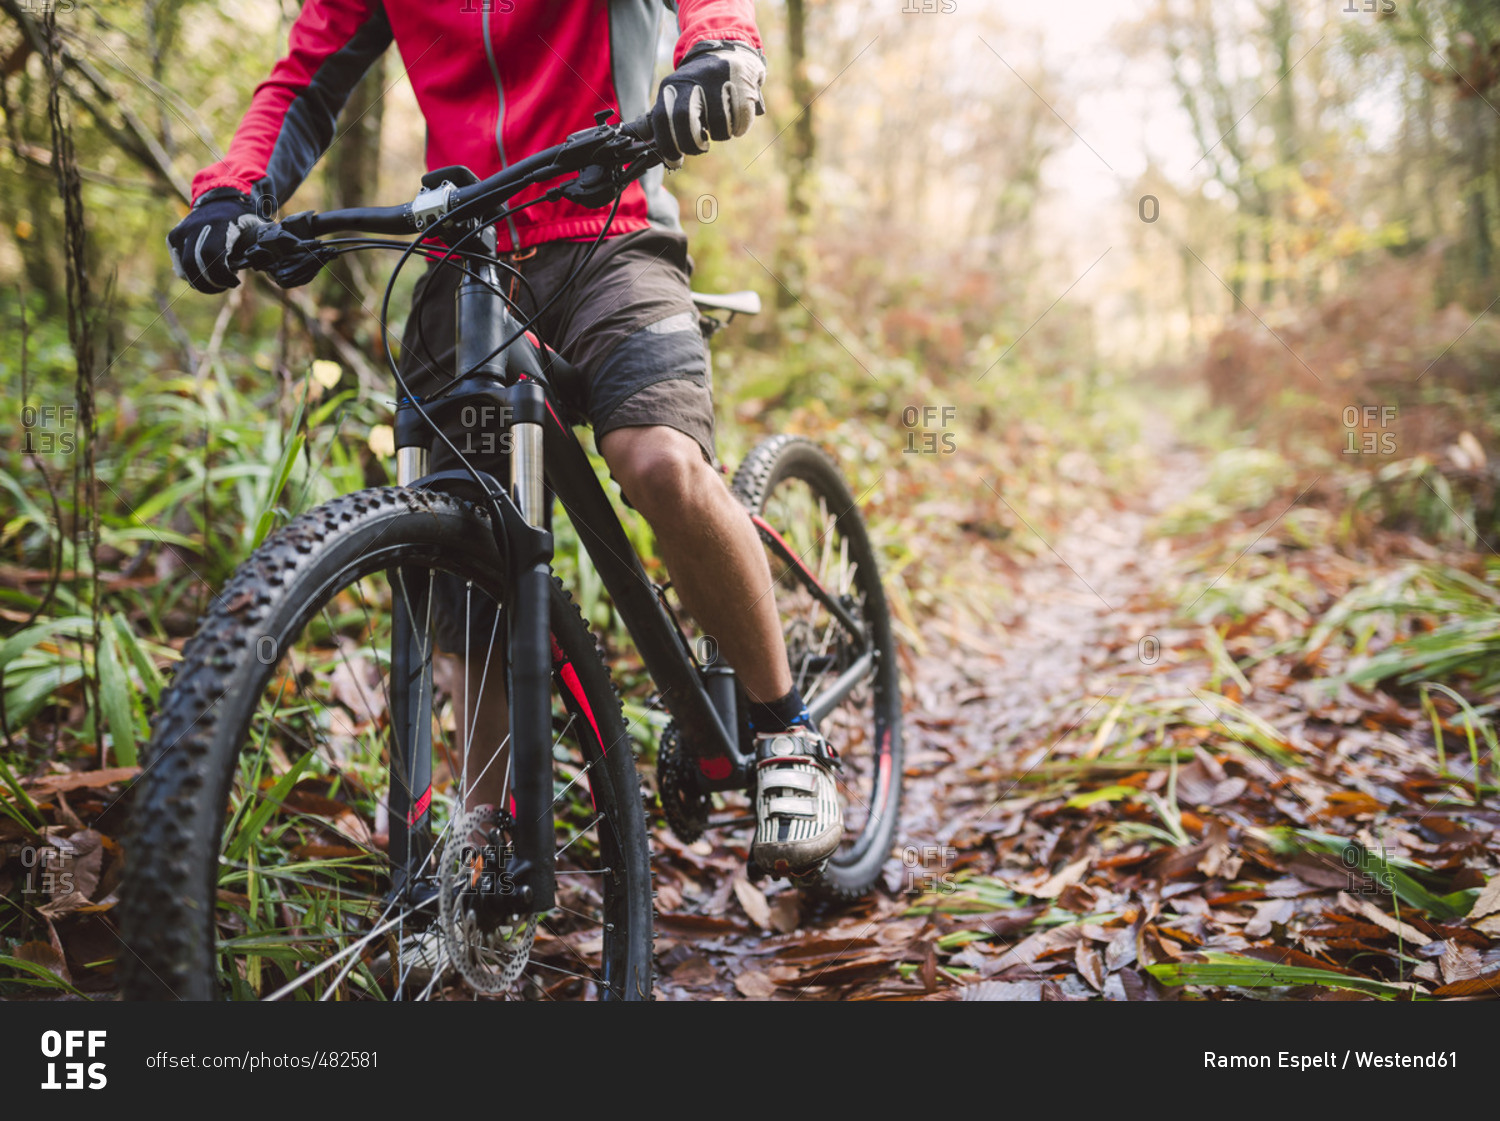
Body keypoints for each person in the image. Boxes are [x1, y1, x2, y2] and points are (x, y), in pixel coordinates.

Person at [165, 1, 841, 877]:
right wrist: (231, 190)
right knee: (467, 550)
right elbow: (304, 81)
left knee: (658, 460)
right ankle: (476, 835)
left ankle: (786, 729)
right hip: (464, 259)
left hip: (610, 234)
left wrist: (722, 51)